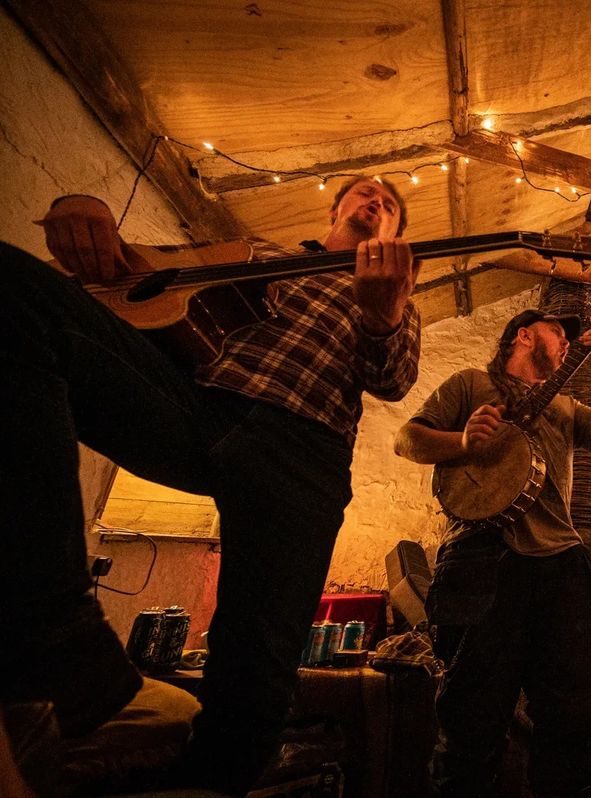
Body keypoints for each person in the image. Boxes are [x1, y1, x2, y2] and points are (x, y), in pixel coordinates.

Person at [0, 175, 421, 793]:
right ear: (335, 208)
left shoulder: (398, 293)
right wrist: (80, 209)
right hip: (197, 402)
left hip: (305, 445)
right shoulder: (254, 252)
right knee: (16, 290)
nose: (377, 200)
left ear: (394, 235)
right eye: (365, 191)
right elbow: (126, 267)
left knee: (256, 672)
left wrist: (383, 315)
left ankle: (211, 781)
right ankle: (60, 636)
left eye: (390, 204)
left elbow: (393, 379)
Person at [394, 307, 591, 798]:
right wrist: (461, 440)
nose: (565, 342)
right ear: (524, 335)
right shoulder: (470, 383)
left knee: (569, 723)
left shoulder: (563, 405)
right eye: (556, 332)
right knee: (470, 720)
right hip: (478, 561)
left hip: (561, 567)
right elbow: (407, 439)